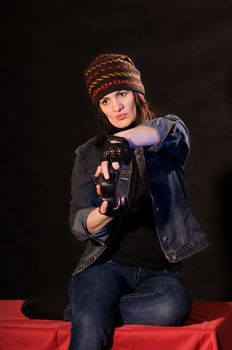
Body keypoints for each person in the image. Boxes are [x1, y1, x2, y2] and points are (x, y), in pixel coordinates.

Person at [64, 53, 209, 350]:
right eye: (105, 101)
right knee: (91, 326)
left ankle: (82, 310)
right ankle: (89, 311)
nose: (116, 107)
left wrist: (121, 144)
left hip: (159, 274)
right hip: (105, 267)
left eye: (121, 94)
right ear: (100, 108)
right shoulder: (89, 154)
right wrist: (106, 210)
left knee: (172, 308)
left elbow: (161, 132)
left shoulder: (168, 134)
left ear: (136, 94)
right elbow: (79, 223)